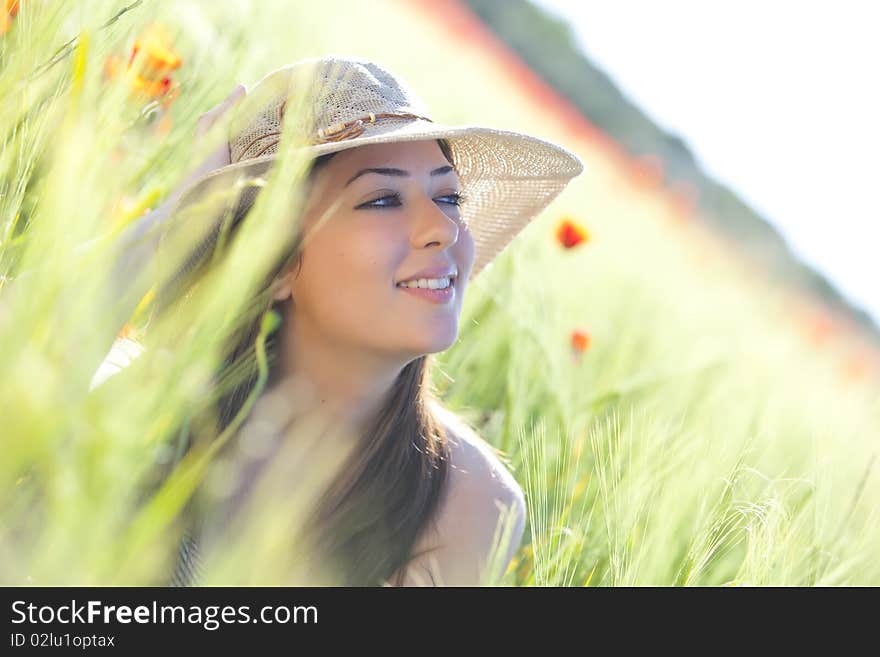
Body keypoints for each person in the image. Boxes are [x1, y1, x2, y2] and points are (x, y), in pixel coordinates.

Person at [94, 56, 584, 586]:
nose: (441, 228)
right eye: (381, 199)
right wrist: (177, 219)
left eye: (449, 196)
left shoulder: (468, 500)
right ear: (275, 260)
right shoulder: (148, 399)